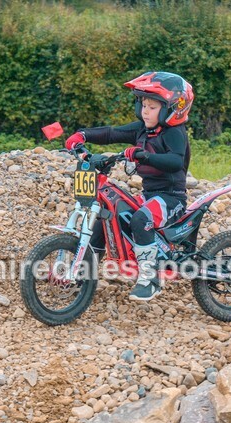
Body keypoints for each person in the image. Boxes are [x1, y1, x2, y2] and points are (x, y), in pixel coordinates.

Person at [64, 71, 194, 301]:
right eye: (143, 104)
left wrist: (142, 155)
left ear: (173, 108)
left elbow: (175, 161)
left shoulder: (175, 133)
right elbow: (113, 133)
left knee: (140, 219)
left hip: (171, 198)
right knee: (110, 216)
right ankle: (83, 276)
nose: (145, 111)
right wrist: (82, 135)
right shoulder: (142, 129)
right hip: (150, 195)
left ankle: (150, 279)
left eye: (152, 107)